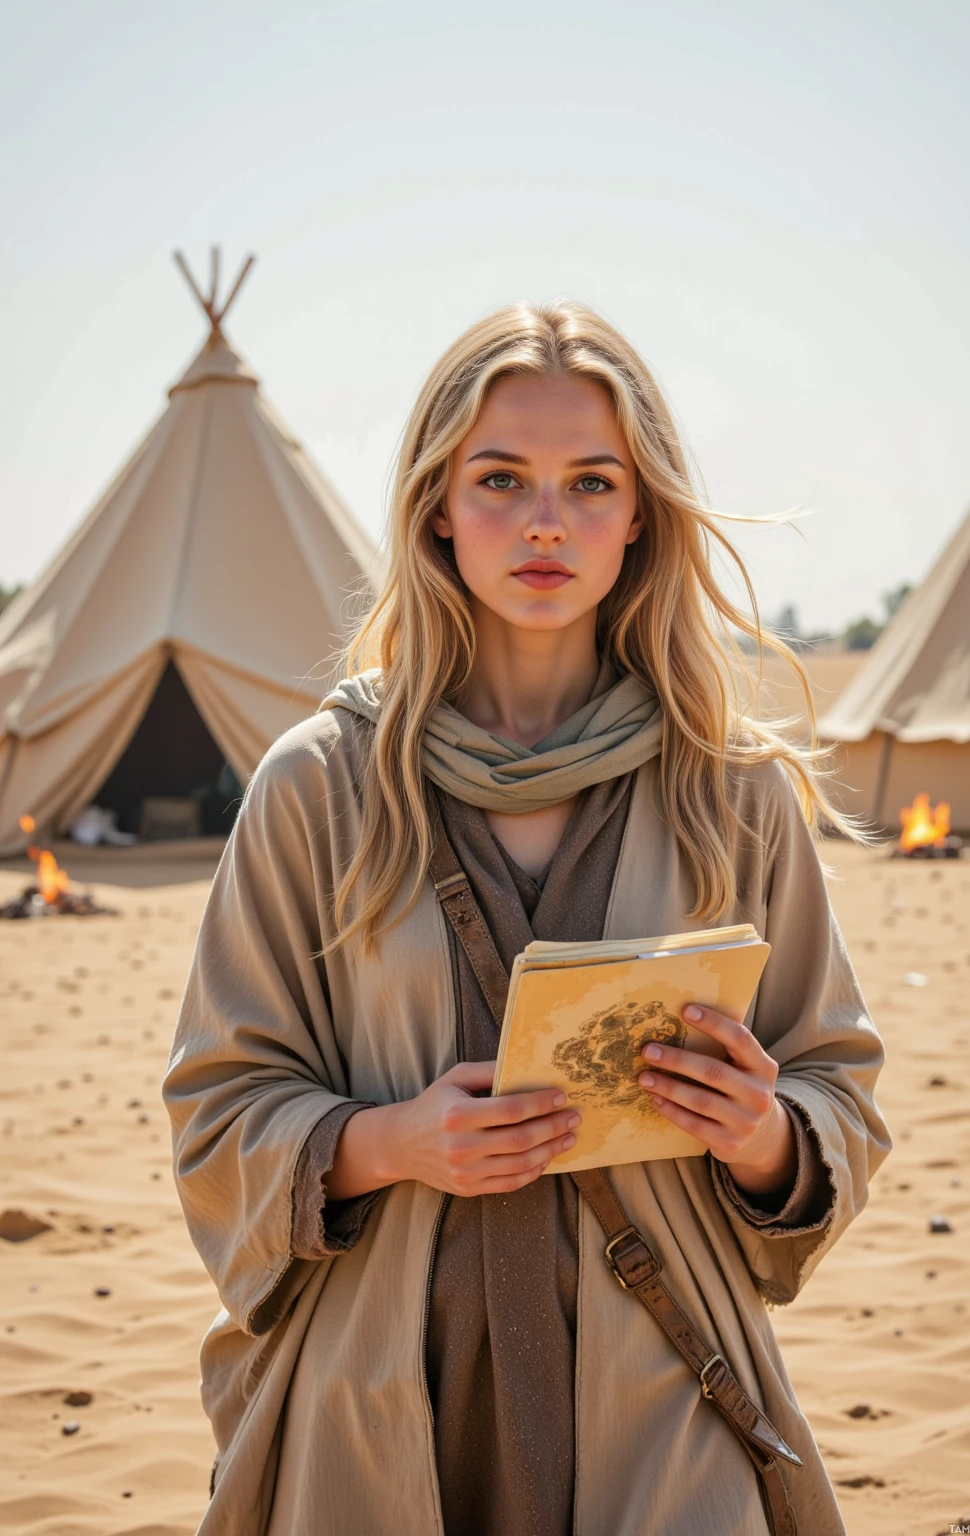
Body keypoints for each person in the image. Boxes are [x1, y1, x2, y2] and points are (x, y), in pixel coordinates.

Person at [164, 301, 890, 1536]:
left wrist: (763, 1131)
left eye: (591, 482)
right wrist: (390, 1143)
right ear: (437, 504)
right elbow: (218, 1106)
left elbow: (839, 1090)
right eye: (501, 478)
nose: (546, 520)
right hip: (382, 1390)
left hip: (665, 1390)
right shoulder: (316, 786)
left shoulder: (733, 791)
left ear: (640, 516)